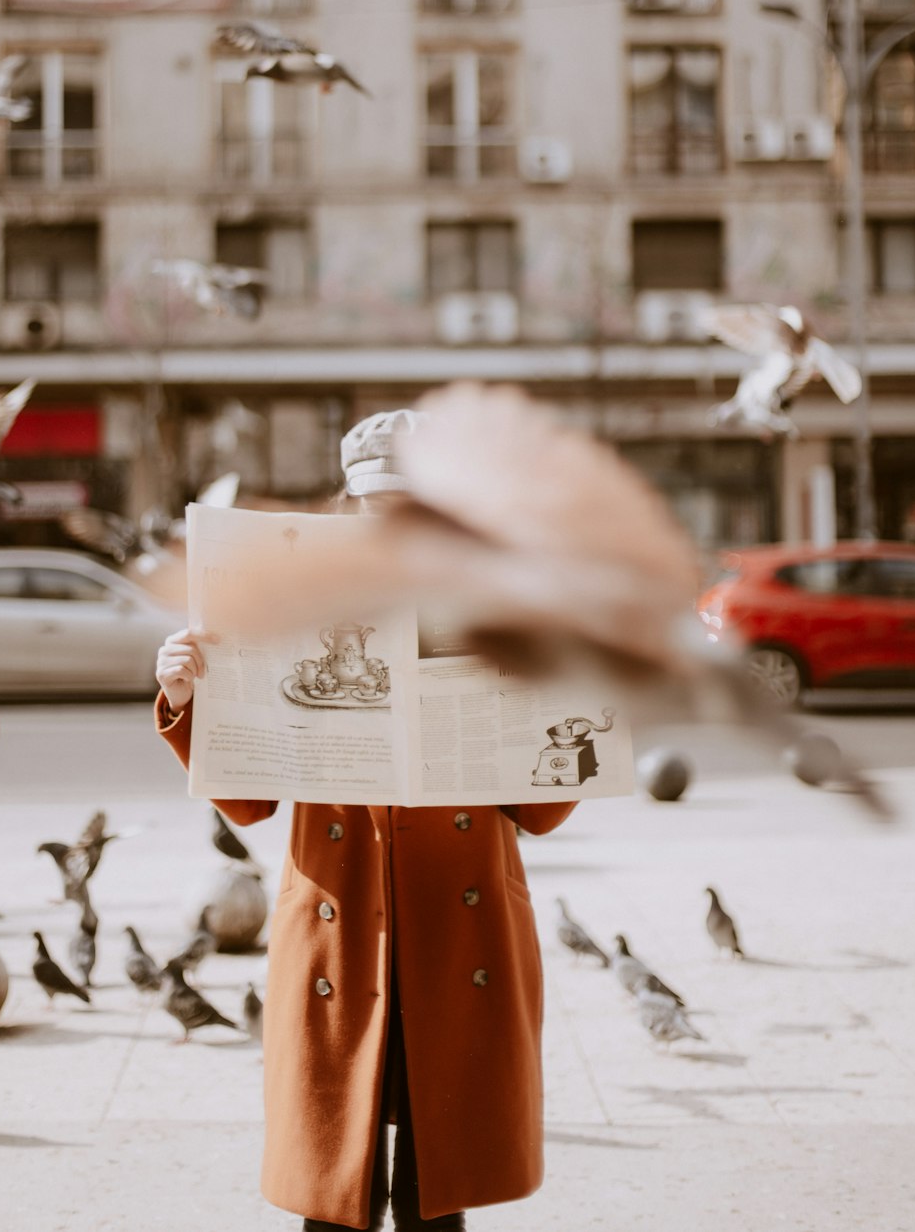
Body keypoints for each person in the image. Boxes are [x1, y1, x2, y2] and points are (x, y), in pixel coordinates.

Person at [155, 408, 578, 1232]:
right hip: (340, 936)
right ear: (350, 508)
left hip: (458, 940)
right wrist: (185, 697)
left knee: (436, 1199)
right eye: (375, 506)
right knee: (331, 1198)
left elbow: (542, 809)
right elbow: (248, 801)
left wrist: (566, 694)